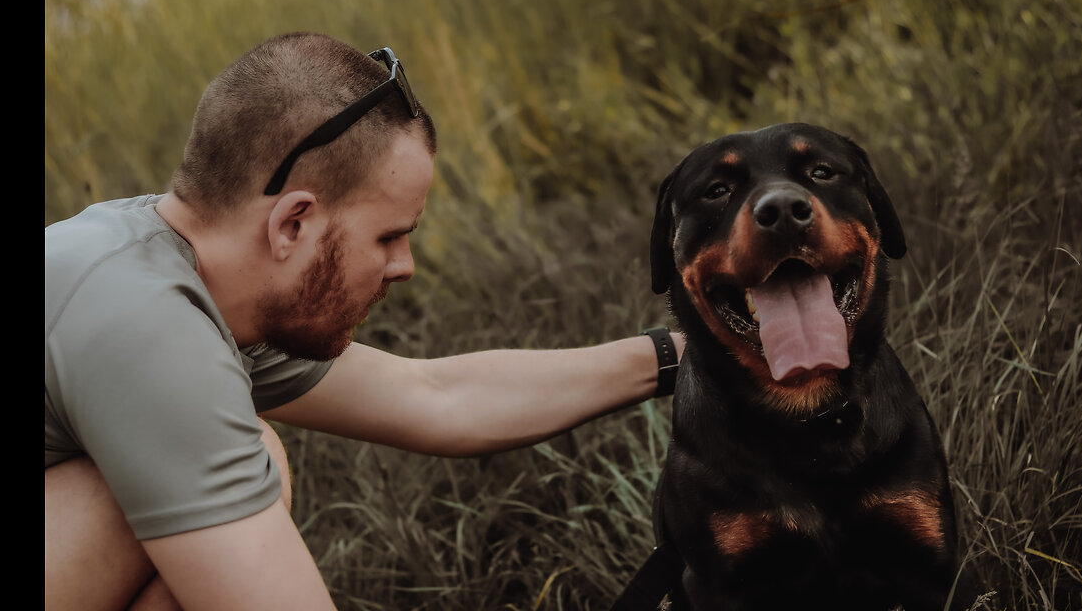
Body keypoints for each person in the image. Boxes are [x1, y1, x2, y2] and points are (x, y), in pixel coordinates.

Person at [45, 32, 682, 611]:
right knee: (205, 469)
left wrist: (680, 355)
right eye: (388, 236)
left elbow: (435, 397)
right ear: (292, 223)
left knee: (233, 461)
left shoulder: (179, 271)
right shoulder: (149, 334)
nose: (403, 266)